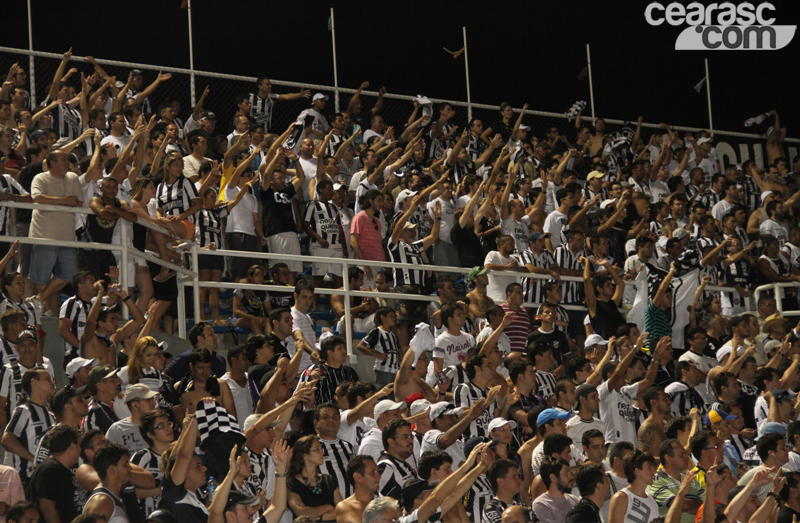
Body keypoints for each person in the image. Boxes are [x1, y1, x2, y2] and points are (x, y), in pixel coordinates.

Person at [26, 150, 84, 317]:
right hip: (44, 234)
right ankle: (43, 311)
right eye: (63, 159)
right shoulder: (41, 178)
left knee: (69, 273)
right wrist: (64, 200)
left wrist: (61, 200)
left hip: (67, 237)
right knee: (41, 276)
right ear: (52, 163)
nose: (67, 162)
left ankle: (39, 299)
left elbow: (78, 202)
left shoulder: (72, 178)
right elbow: (37, 198)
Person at [2, 368, 55, 488]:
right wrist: (35, 460)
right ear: (34, 382)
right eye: (47, 379)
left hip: (46, 479)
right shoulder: (24, 411)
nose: (52, 382)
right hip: (28, 480)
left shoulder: (51, 416)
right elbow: (7, 440)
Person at [27, 425, 83, 523]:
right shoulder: (51, 470)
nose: (80, 449)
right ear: (72, 447)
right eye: (79, 445)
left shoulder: (58, 469)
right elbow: (47, 507)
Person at [158, 414, 208, 523]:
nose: (204, 468)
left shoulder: (198, 496)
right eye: (198, 466)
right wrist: (195, 418)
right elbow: (183, 457)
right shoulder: (173, 494)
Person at [130, 409, 175, 516]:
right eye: (161, 426)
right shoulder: (142, 457)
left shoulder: (179, 454)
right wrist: (156, 491)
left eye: (169, 423)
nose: (169, 428)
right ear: (150, 434)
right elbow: (126, 491)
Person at [287, 435, 342, 522]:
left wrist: (318, 517)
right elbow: (300, 513)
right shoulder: (292, 482)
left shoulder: (329, 480)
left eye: (321, 449)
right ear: (304, 455)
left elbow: (342, 511)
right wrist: (329, 507)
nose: (322, 453)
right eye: (317, 449)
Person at [648, 439, 703, 523]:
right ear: (668, 459)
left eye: (685, 454)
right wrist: (699, 503)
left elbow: (709, 504)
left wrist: (683, 505)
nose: (686, 458)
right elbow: (679, 505)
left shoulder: (690, 478)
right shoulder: (655, 481)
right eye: (682, 455)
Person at [82, 443, 132, 523]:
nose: (130, 468)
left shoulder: (108, 498)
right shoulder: (102, 501)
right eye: (125, 464)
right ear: (112, 470)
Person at [607, 450, 659, 523]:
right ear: (637, 471)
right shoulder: (621, 498)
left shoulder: (652, 500)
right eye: (649, 467)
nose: (654, 471)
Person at [105, 384, 157, 453]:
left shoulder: (160, 425)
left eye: (153, 398)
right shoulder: (117, 429)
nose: (154, 402)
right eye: (148, 399)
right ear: (135, 405)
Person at [335, 455, 380, 523]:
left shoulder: (385, 501)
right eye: (372, 472)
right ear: (358, 477)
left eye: (378, 471)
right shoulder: (345, 507)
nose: (379, 476)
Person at [532, 457, 579, 523]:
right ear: (553, 478)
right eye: (566, 473)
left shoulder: (574, 500)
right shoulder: (541, 504)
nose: (571, 476)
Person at [482, 459, 523, 523]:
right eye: (514, 476)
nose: (519, 480)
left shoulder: (523, 507)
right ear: (500, 481)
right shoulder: (491, 509)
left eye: (518, 476)